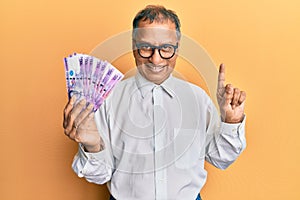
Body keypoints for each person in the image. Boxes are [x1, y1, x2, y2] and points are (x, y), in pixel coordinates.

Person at [63, 5, 246, 200]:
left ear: (177, 46)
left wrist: (231, 122)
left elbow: (221, 159)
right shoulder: (108, 100)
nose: (156, 59)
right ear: (134, 46)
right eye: (146, 48)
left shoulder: (198, 99)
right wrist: (92, 146)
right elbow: (100, 175)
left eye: (166, 48)